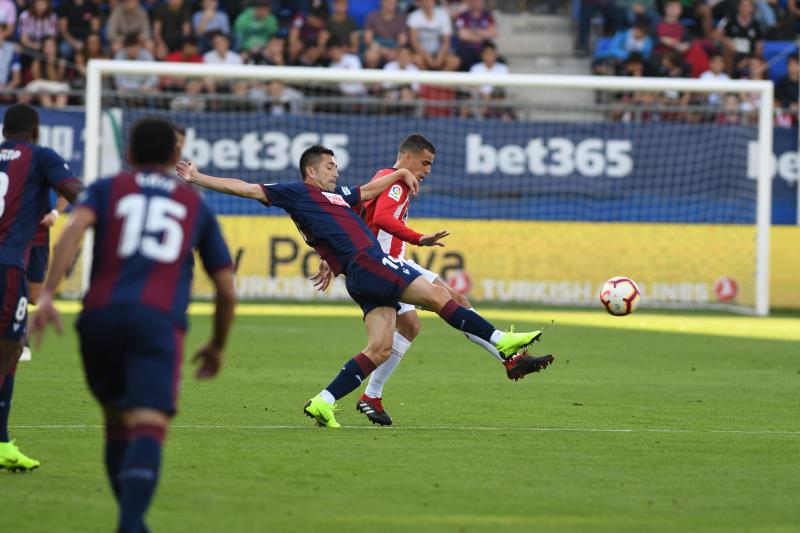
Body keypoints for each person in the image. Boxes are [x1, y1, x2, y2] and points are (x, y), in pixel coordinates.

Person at [176, 145, 550, 428]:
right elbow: (247, 188)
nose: (335, 172)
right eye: (329, 166)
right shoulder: (297, 192)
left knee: (380, 347)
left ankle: (324, 400)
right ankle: (500, 339)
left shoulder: (337, 197)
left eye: (336, 166)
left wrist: (399, 174)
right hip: (368, 262)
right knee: (440, 296)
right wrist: (198, 178)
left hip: (359, 278)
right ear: (311, 170)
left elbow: (368, 192)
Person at [30, 118, 236, 531]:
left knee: (115, 422)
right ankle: (130, 522)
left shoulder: (107, 188)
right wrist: (216, 343)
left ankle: (131, 521)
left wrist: (49, 293)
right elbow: (226, 288)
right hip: (157, 322)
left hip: (99, 319)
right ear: (175, 155)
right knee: (147, 424)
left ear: (129, 154)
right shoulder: (192, 203)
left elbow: (73, 231)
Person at [331, 134, 554, 425]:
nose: (428, 170)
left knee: (426, 317)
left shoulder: (384, 179)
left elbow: (360, 213)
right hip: (384, 266)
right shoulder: (394, 180)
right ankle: (506, 355)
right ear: (408, 159)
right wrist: (419, 238)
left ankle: (508, 359)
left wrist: (333, 257)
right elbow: (384, 218)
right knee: (416, 321)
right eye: (425, 163)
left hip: (393, 261)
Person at [0, 103, 84, 471]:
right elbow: (75, 190)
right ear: (35, 132)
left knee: (13, 347)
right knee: (8, 350)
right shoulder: (40, 155)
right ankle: (1, 443)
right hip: (5, 265)